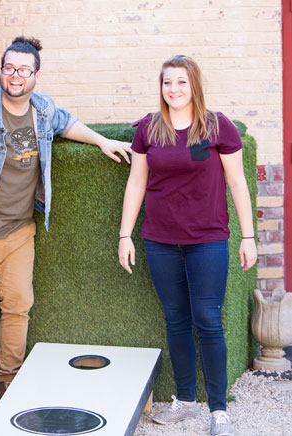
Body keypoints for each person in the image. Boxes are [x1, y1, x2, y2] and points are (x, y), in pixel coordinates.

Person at [0, 36, 132, 417]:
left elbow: (66, 123)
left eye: (24, 70)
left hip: (20, 229)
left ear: (36, 76)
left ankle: (10, 379)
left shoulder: (41, 109)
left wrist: (101, 140)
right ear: (1, 70)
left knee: (19, 304)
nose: (16, 76)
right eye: (9, 68)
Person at [118, 55, 257, 436]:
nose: (174, 89)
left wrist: (248, 236)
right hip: (160, 240)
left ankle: (218, 411)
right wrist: (124, 235)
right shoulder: (149, 128)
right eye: (167, 83)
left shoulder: (217, 127)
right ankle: (185, 401)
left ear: (194, 85)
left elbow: (238, 184)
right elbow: (136, 184)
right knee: (176, 321)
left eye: (181, 82)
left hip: (207, 241)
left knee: (209, 322)